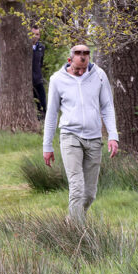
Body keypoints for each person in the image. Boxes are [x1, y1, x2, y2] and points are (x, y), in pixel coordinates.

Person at [42, 43, 119, 223]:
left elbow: (107, 107)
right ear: (70, 60)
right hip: (70, 136)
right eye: (78, 56)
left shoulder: (99, 76)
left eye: (86, 55)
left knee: (90, 194)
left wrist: (113, 136)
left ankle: (73, 219)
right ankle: (76, 234)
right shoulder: (57, 79)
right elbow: (52, 113)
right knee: (77, 188)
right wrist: (47, 145)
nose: (82, 60)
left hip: (94, 138)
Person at [30, 26, 47, 121]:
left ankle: (43, 119)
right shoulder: (25, 47)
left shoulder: (41, 47)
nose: (35, 36)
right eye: (33, 34)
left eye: (37, 34)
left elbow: (41, 63)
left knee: (42, 100)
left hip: (37, 78)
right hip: (27, 79)